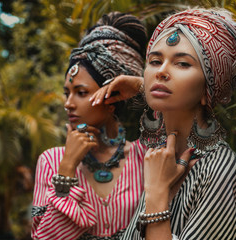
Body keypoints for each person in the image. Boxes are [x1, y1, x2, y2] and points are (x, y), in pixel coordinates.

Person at [91, 8, 236, 240]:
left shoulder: (222, 172)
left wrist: (157, 193)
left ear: (209, 88)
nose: (160, 72)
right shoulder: (162, 158)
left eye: (182, 64)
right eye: (155, 61)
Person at [31, 12, 148, 239]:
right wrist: (66, 171)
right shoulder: (51, 161)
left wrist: (141, 86)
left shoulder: (146, 157)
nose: (68, 104)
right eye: (67, 93)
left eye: (81, 93)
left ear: (113, 97)